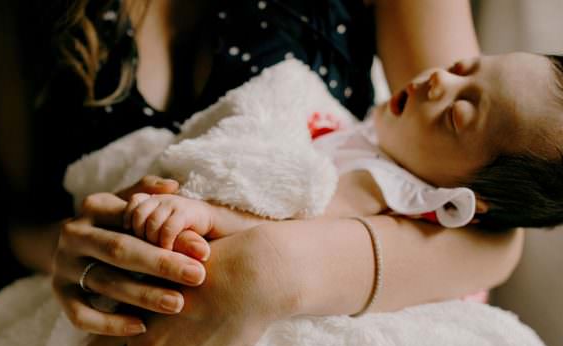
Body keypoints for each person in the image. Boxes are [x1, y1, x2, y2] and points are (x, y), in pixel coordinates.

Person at [0, 0, 526, 346]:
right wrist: (88, 254)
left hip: (326, 326)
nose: (444, 83)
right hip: (120, 328)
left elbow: (491, 231)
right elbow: (27, 217)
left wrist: (275, 266)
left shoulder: (422, 132)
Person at [119, 52, 563, 251]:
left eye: (457, 115)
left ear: (464, 200)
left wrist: (209, 216)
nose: (440, 83)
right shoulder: (375, 141)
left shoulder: (385, 186)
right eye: (461, 69)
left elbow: (296, 223)